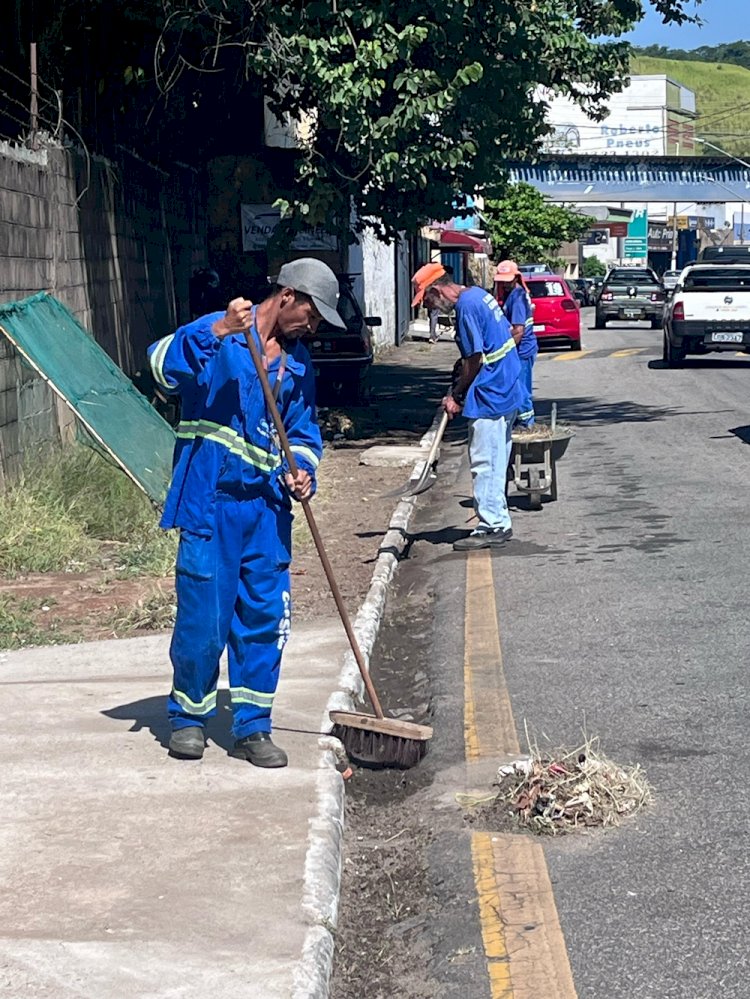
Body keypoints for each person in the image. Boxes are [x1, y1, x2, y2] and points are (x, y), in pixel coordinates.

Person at [147, 258, 344, 766]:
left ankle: (253, 726)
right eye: (312, 314)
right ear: (287, 296)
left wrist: (302, 472)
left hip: (267, 511)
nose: (314, 326)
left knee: (263, 617)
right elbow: (159, 368)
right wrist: (216, 329)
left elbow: (302, 433)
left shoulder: (298, 367)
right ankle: (189, 718)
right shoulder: (222, 336)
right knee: (204, 619)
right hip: (209, 504)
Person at [411, 262, 523, 552]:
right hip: (505, 385)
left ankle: (492, 525)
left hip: (492, 391)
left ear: (437, 290)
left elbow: (474, 359)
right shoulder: (477, 295)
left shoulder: (466, 308)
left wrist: (457, 396)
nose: (428, 307)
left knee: (486, 461)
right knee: (497, 460)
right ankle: (498, 519)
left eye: (427, 300)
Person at [494, 260, 537, 429]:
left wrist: (505, 351)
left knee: (520, 386)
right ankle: (523, 419)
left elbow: (518, 330)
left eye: (507, 280)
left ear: (515, 278)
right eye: (502, 280)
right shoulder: (513, 295)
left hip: (522, 350)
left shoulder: (517, 298)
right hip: (521, 349)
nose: (504, 284)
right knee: (517, 384)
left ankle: (526, 422)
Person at [427, 263, 454, 343]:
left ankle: (433, 335)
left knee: (432, 316)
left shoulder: (434, 276)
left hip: (430, 297)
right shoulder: (444, 279)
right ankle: (432, 336)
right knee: (434, 316)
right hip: (436, 299)